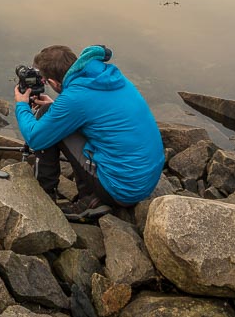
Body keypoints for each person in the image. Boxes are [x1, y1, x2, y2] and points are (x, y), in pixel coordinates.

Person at [13, 43, 164, 220]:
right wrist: (58, 108)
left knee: (45, 121)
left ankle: (43, 201)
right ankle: (91, 199)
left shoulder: (75, 98)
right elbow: (94, 110)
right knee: (60, 121)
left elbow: (35, 138)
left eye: (46, 81)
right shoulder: (107, 76)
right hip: (146, 178)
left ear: (53, 82)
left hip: (123, 189)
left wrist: (22, 105)